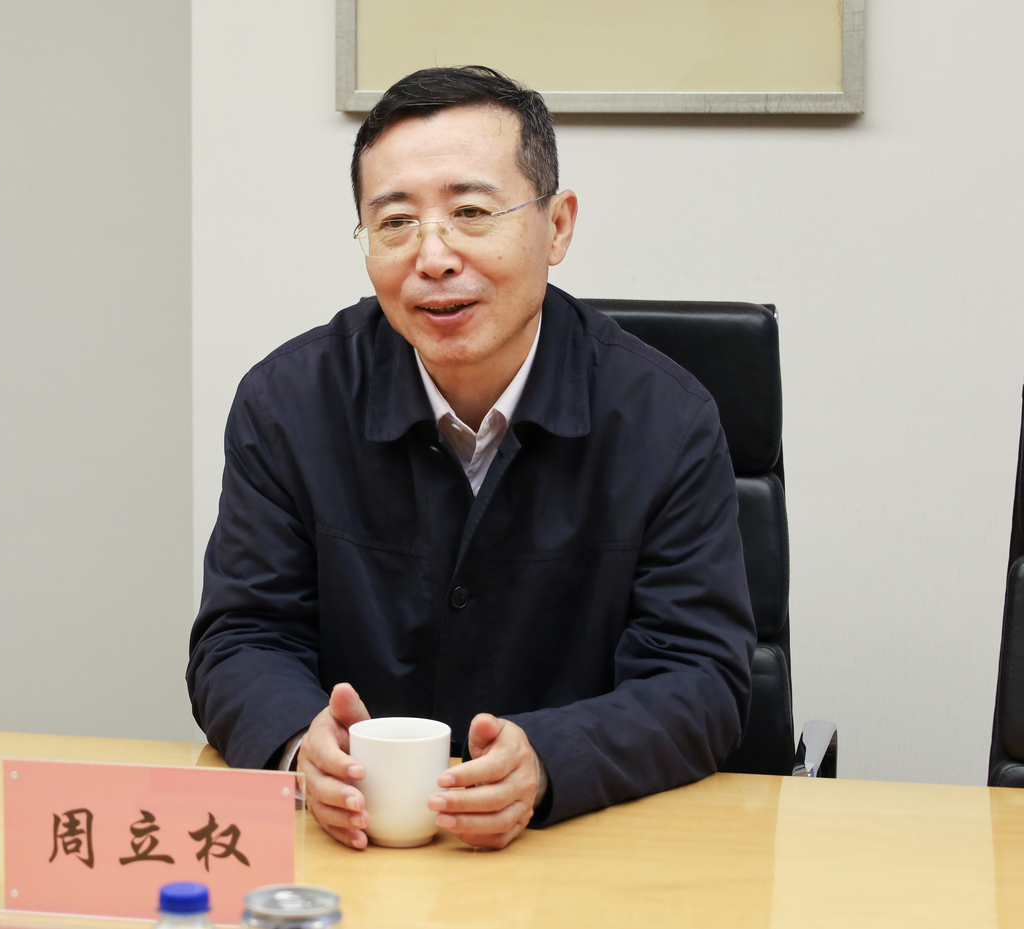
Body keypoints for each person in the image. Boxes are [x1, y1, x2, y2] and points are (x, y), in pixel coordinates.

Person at [187, 66, 755, 851]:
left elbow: (699, 677)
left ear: (557, 226)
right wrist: (297, 743)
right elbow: (241, 639)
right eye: (395, 222)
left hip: (579, 853)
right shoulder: (287, 404)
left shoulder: (667, 419)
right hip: (356, 851)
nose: (434, 256)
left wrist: (551, 759)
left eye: (471, 213)